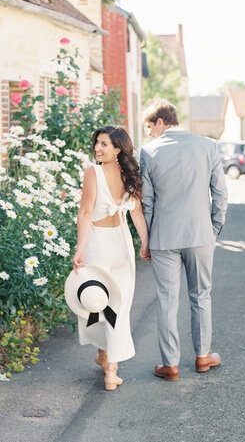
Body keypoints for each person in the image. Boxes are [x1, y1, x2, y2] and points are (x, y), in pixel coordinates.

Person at [139, 99, 228, 381]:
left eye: (149, 128)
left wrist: (150, 237)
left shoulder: (149, 152)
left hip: (164, 237)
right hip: (200, 234)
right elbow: (221, 195)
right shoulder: (208, 146)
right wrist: (213, 227)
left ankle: (171, 365)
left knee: (166, 301)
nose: (149, 134)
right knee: (201, 296)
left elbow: (147, 202)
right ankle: (203, 357)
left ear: (161, 122)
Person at [70, 125, 150, 391]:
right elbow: (136, 213)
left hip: (98, 243)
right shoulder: (130, 174)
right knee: (118, 306)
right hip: (122, 242)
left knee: (96, 301)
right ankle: (110, 368)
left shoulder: (93, 173)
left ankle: (105, 357)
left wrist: (80, 248)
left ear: (118, 149)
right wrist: (145, 243)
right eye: (97, 143)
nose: (97, 148)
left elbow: (84, 213)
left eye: (104, 144)